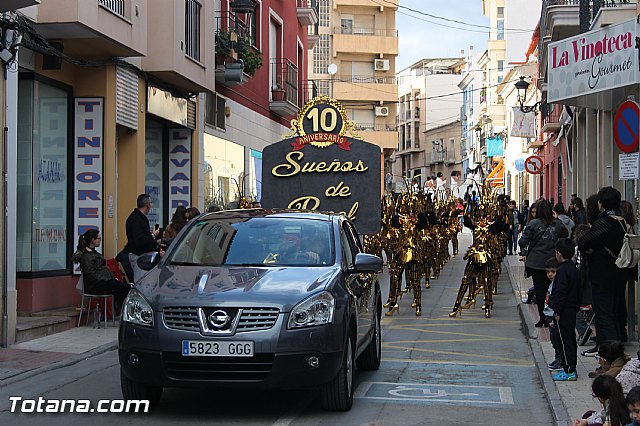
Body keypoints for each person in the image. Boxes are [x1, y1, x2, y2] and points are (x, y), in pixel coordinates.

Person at [578, 187, 628, 349]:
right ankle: (610, 350)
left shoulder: (604, 222)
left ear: (601, 203)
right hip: (618, 274)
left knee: (605, 316)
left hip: (604, 276)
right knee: (612, 314)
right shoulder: (622, 220)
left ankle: (610, 355)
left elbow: (583, 242)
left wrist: (591, 249)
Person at [519, 199, 568, 327]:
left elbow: (522, 241)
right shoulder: (558, 224)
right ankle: (554, 315)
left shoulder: (533, 224)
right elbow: (566, 237)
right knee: (556, 290)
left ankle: (542, 317)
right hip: (554, 261)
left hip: (536, 263)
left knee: (540, 291)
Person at [73, 229, 131, 311]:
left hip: (101, 283)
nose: (100, 240)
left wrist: (112, 277)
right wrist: (107, 280)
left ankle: (120, 309)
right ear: (93, 240)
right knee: (123, 288)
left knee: (123, 288)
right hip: (93, 286)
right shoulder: (86, 256)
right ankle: (121, 310)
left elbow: (104, 269)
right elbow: (91, 275)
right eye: (99, 238)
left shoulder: (95, 254)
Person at [549, 238, 581, 381]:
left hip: (564, 311)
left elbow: (561, 293)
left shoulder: (562, 271)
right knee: (569, 339)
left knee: (564, 340)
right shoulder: (573, 268)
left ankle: (569, 370)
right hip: (572, 308)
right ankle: (569, 367)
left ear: (558, 253)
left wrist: (557, 311)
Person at [119, 194, 161, 282]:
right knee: (141, 282)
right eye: (151, 203)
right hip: (139, 258)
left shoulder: (138, 218)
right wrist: (153, 236)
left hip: (143, 257)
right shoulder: (136, 220)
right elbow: (138, 241)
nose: (151, 205)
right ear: (148, 204)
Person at [544, 257, 564, 373]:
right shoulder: (552, 284)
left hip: (554, 315)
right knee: (553, 340)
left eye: (553, 271)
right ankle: (557, 358)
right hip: (549, 315)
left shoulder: (557, 285)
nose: (550, 274)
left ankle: (560, 360)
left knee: (557, 340)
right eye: (548, 272)